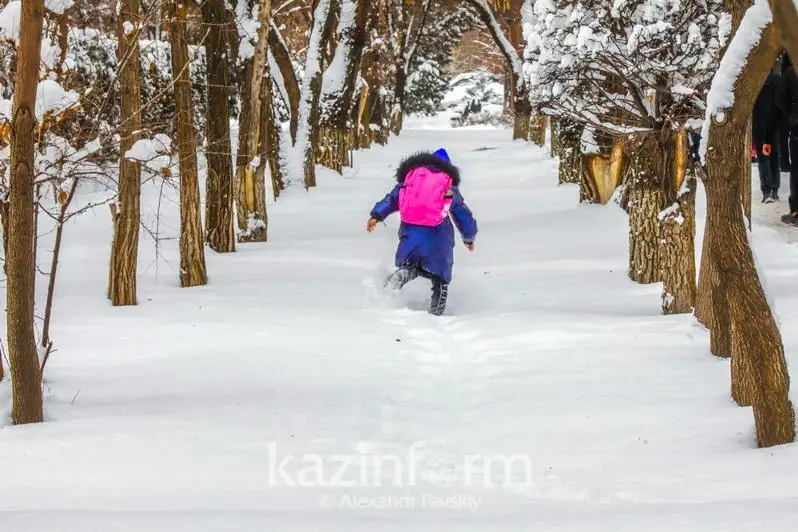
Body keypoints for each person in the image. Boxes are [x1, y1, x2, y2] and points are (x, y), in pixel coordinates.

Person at [367, 148, 477, 316]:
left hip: (410, 234)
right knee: (440, 278)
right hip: (439, 238)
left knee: (411, 266)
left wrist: (376, 215)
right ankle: (436, 314)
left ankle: (398, 279)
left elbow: (391, 199)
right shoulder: (448, 185)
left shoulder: (410, 179)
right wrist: (469, 237)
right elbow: (463, 215)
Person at [752, 68, 782, 202]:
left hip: (759, 121)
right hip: (775, 122)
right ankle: (775, 189)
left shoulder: (754, 78)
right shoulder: (778, 78)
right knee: (774, 155)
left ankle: (767, 190)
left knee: (763, 155)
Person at [776, 53, 798, 225]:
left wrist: (791, 114)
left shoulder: (791, 73)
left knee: (797, 171)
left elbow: (780, 99)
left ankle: (796, 212)